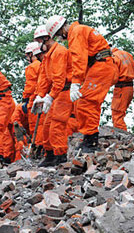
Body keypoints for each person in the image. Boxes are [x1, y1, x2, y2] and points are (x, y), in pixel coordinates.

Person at [45, 15, 119, 153]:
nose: (60, 39)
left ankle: (91, 140)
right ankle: (89, 137)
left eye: (58, 35)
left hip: (101, 66)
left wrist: (76, 82)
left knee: (86, 101)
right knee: (85, 102)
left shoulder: (76, 32)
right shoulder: (79, 30)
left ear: (61, 29)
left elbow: (79, 59)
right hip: (100, 66)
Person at [32, 20, 74, 166]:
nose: (38, 45)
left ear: (46, 38)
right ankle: (49, 154)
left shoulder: (60, 52)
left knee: (57, 124)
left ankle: (60, 155)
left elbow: (59, 79)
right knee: (47, 124)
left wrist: (50, 96)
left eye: (39, 41)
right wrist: (40, 95)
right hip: (56, 93)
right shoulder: (48, 56)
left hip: (64, 92)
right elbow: (44, 79)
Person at [23, 37, 46, 157]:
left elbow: (30, 85)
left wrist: (25, 99)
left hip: (34, 98)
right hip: (43, 96)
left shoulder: (33, 66)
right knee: (43, 125)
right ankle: (41, 147)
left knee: (35, 126)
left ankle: (38, 148)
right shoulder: (43, 64)